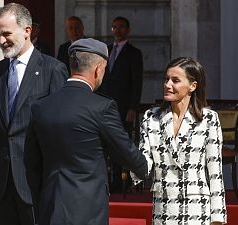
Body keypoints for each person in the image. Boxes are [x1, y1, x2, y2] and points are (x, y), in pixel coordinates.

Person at [24, 38, 148, 225]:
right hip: (87, 208)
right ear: (98, 69)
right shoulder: (102, 107)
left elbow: (31, 163)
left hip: (49, 205)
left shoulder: (40, 106)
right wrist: (145, 166)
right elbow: (126, 152)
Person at [0, 3, 68, 225]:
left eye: (6, 34)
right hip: (3, 181)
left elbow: (61, 127)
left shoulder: (53, 70)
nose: (1, 40)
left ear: (27, 31)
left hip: (37, 180)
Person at [131, 57, 227, 224]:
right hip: (164, 209)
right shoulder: (151, 117)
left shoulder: (209, 119)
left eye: (175, 80)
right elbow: (143, 165)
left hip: (197, 210)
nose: (167, 84)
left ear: (192, 86)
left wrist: (217, 217)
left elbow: (215, 172)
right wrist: (125, 152)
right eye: (166, 79)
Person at [96, 16, 143, 192]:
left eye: (121, 27)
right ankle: (106, 181)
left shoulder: (134, 53)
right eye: (114, 27)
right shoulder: (106, 51)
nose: (117, 30)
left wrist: (133, 107)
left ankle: (121, 181)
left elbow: (137, 83)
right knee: (104, 143)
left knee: (120, 144)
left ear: (127, 30)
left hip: (123, 108)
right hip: (104, 105)